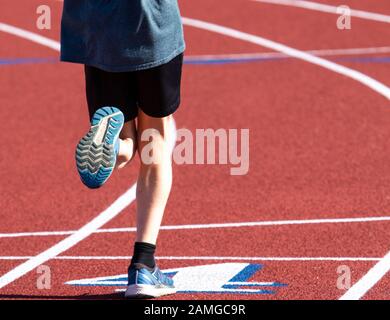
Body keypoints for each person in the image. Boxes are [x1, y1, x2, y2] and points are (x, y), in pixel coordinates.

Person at [60, 0, 185, 298]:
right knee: (156, 147)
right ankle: (143, 266)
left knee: (129, 141)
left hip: (98, 33)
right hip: (151, 27)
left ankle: (115, 147)